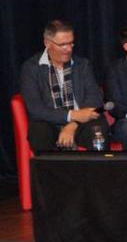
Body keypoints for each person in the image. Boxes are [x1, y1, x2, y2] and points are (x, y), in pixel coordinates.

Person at [19, 19, 109, 152]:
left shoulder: (83, 65)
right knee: (39, 133)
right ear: (47, 43)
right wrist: (70, 115)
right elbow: (36, 109)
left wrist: (73, 123)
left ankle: (96, 173)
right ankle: (54, 173)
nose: (68, 49)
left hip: (81, 122)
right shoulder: (31, 68)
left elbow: (94, 99)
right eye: (62, 45)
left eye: (71, 43)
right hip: (49, 121)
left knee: (98, 129)